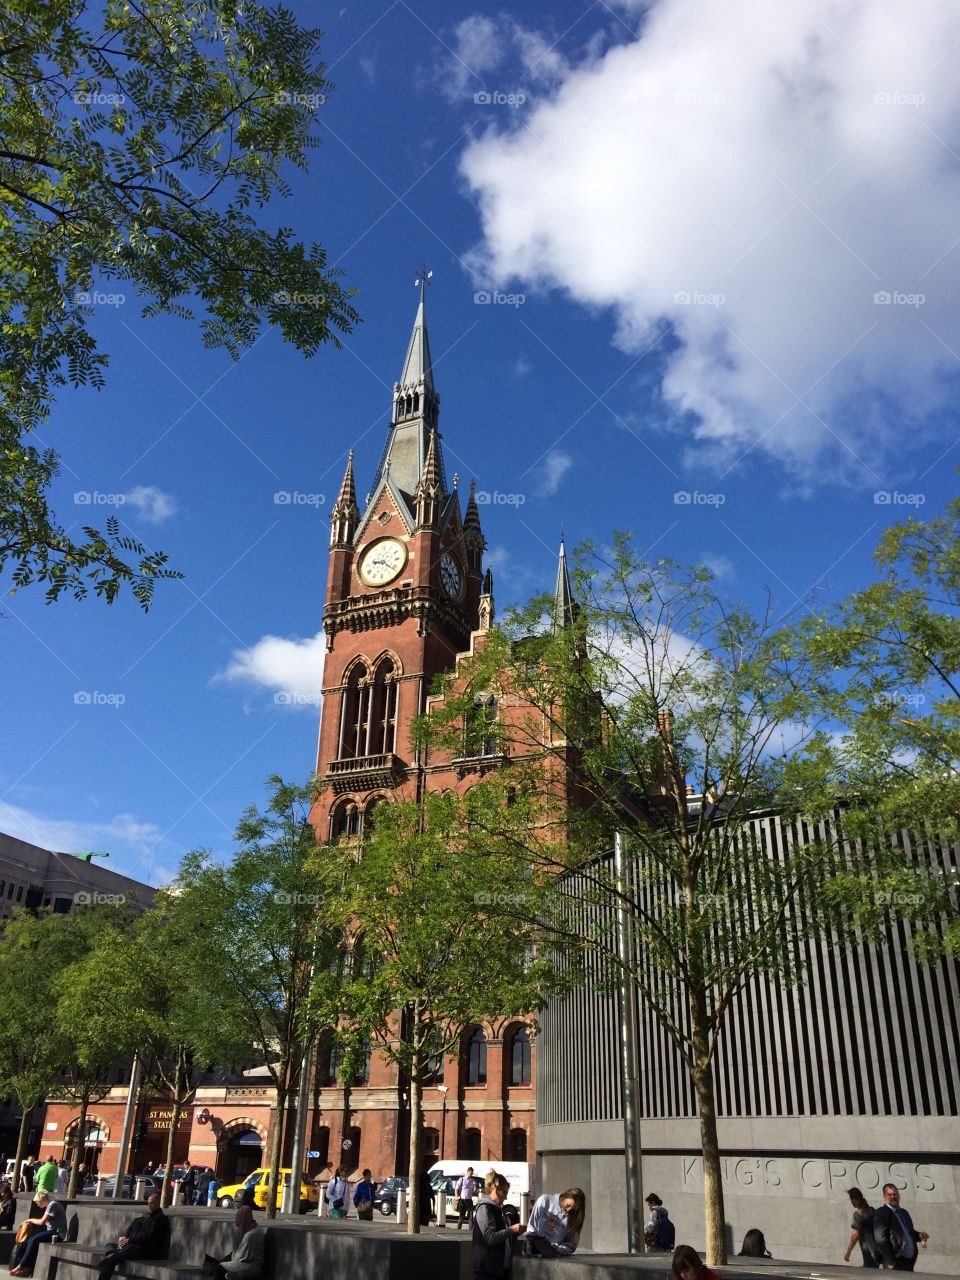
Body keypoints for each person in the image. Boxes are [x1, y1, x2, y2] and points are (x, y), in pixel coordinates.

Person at [97, 1191, 171, 1280]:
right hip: (136, 1246)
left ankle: (114, 1256)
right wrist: (123, 1241)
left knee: (120, 1255)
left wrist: (129, 1241)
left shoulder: (160, 1219)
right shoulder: (145, 1219)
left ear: (158, 1203)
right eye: (148, 1203)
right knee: (109, 1245)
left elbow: (148, 1237)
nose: (149, 1206)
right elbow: (132, 1235)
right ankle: (113, 1254)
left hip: (150, 1251)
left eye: (151, 1203)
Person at [472, 1171, 522, 1278]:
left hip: (500, 1269)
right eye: (505, 1193)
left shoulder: (499, 1209)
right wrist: (512, 1230)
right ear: (496, 1190)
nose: (506, 1197)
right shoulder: (485, 1208)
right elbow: (490, 1237)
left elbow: (504, 1237)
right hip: (487, 1270)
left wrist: (516, 1232)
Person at [8, 1190, 68, 1277]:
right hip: (51, 1232)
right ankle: (27, 1269)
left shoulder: (53, 1205)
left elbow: (42, 1222)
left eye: (37, 1202)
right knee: (30, 1240)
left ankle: (20, 1266)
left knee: (34, 1240)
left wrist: (29, 1220)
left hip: (57, 1234)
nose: (36, 1204)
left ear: (42, 1200)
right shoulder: (50, 1206)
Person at [874, 1183, 928, 1271]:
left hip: (909, 1262)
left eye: (895, 1194)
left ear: (899, 1196)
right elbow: (880, 1238)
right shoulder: (882, 1212)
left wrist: (919, 1235)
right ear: (884, 1197)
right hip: (895, 1263)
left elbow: (908, 1233)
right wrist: (889, 1261)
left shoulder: (903, 1213)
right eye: (889, 1194)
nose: (893, 1197)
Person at [522, 1187, 586, 1258]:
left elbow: (571, 1245)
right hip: (536, 1253)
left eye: (572, 1209)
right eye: (568, 1205)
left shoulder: (573, 1216)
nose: (568, 1210)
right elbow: (531, 1228)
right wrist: (533, 1245)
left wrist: (557, 1249)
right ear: (565, 1196)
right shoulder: (544, 1200)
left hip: (555, 1257)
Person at [845, 1188, 879, 1268]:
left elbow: (855, 1234)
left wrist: (848, 1252)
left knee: (869, 1271)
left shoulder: (858, 1214)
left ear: (855, 1199)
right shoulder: (872, 1210)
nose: (851, 1202)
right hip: (877, 1248)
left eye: (851, 1199)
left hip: (868, 1249)